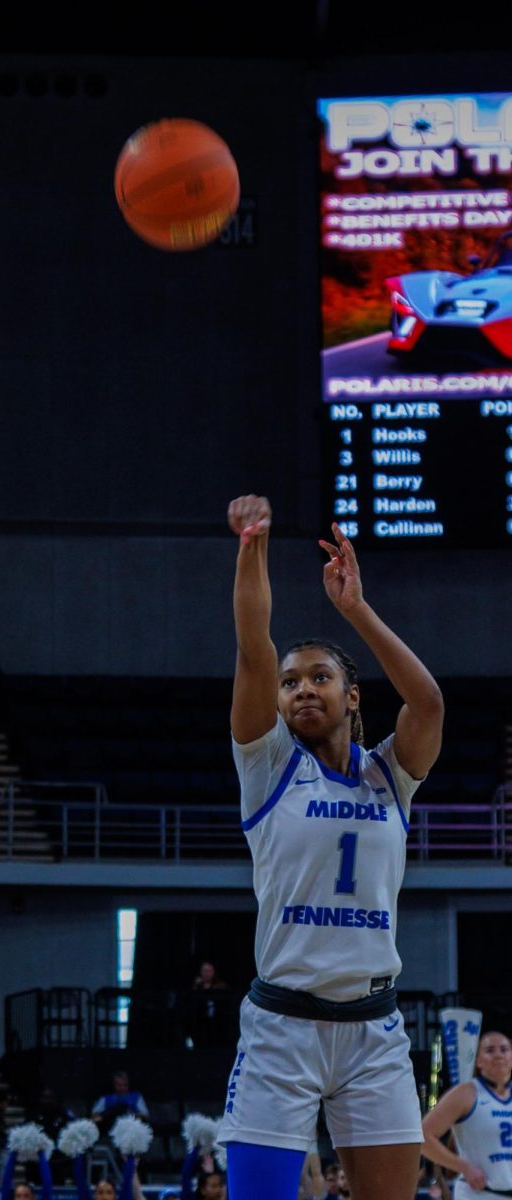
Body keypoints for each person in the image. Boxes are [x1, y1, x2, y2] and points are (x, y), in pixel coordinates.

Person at [215, 496, 444, 1200]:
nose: (300, 689)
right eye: (290, 683)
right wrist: (252, 545)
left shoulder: (389, 775)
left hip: (373, 1029)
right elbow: (253, 645)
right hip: (283, 1026)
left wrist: (356, 611)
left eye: (319, 677)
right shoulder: (268, 766)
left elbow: (427, 704)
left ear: (350, 697)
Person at [421, 1027, 512, 1199]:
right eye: (490, 1050)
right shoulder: (465, 1093)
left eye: (504, 1049)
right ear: (478, 1060)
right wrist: (464, 1167)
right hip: (480, 1194)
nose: (498, 1054)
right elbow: (423, 1136)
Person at [91, 1072, 149, 1136]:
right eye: (119, 1085)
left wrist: (130, 1114)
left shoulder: (137, 1096)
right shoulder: (105, 1098)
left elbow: (145, 1116)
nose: (122, 1087)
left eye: (125, 1085)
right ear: (114, 1084)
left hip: (131, 1128)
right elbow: (94, 1116)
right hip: (110, 1127)